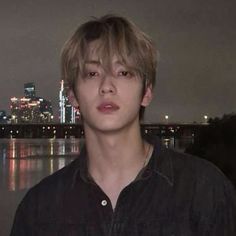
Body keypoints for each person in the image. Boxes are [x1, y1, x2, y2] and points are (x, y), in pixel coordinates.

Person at [11, 14, 236, 236]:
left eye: (123, 72)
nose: (106, 86)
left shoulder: (204, 191)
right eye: (92, 73)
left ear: (146, 92)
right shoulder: (39, 209)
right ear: (72, 96)